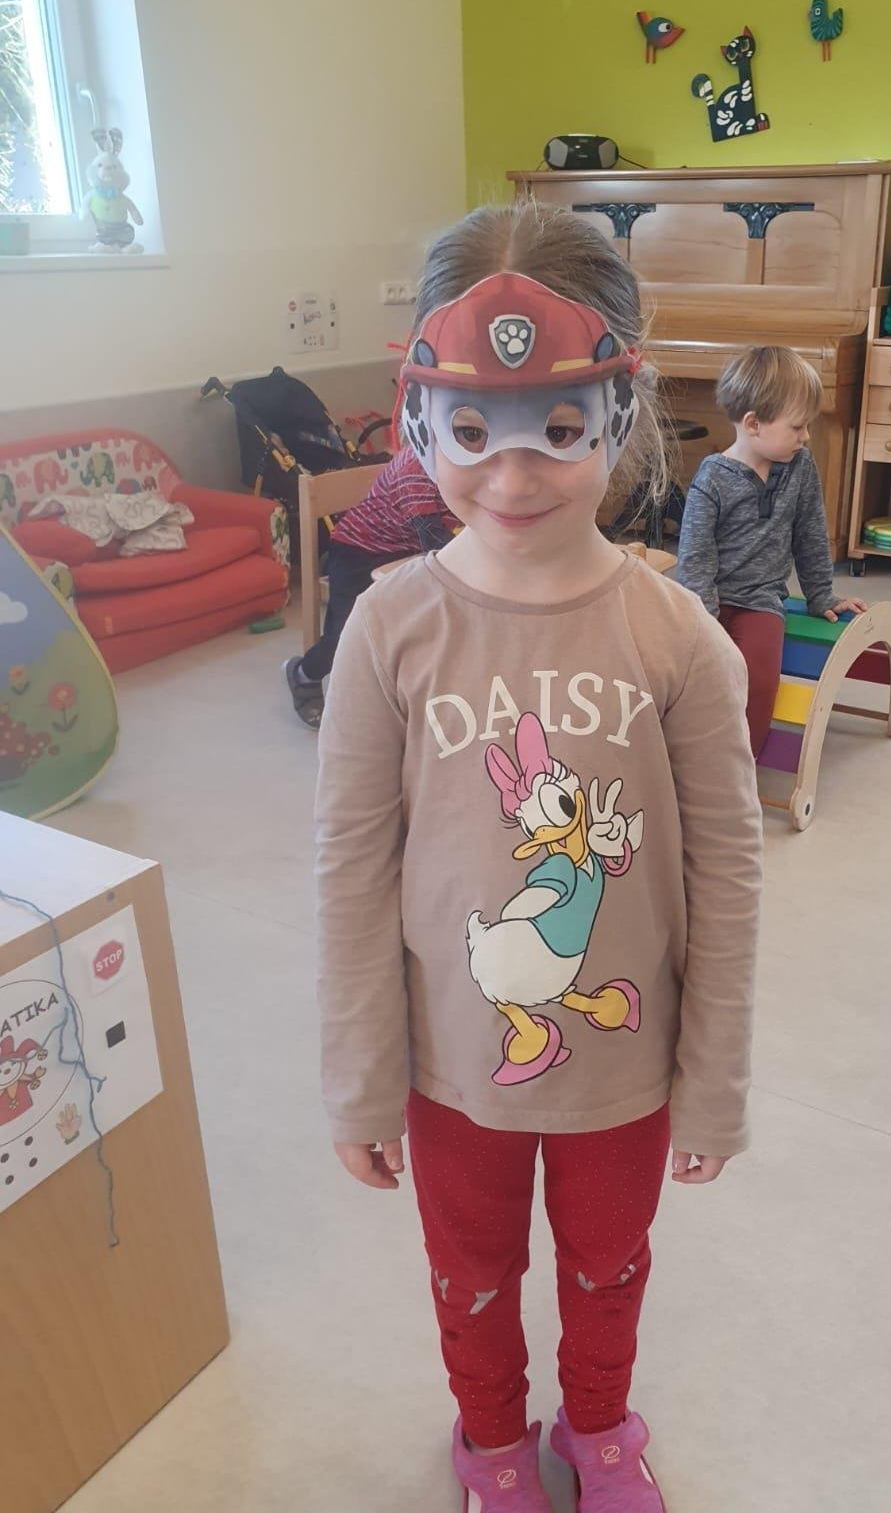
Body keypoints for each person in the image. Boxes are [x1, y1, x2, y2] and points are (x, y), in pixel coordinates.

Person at [314, 204, 762, 1512]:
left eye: (558, 430)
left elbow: (728, 876)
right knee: (470, 1270)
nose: (511, 478)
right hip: (453, 1066)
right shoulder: (387, 631)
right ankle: (493, 1437)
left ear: (621, 411)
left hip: (625, 1065)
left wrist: (714, 1080)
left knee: (609, 1263)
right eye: (473, 432)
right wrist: (361, 1079)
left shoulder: (678, 638)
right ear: (422, 418)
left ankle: (600, 1424)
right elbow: (349, 868)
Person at [673, 345, 867, 759]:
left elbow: (810, 533)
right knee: (689, 678)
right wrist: (705, 619)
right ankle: (685, 759)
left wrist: (821, 594)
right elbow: (695, 556)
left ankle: (739, 766)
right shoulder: (712, 478)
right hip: (704, 603)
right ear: (753, 424)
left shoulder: (800, 467)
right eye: (797, 427)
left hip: (760, 601)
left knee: (759, 681)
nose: (806, 436)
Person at [283, 439, 456, 728]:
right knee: (346, 635)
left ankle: (407, 691)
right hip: (358, 552)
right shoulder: (416, 468)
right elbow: (434, 539)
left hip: (406, 550)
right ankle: (304, 674)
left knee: (428, 623)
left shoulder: (458, 463)